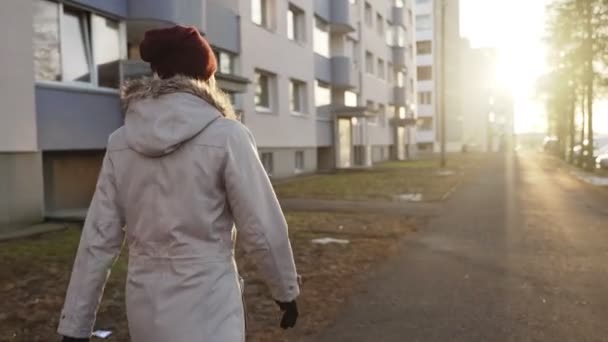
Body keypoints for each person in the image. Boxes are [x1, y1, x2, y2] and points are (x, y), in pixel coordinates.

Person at [58, 25, 300, 342]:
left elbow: (98, 239)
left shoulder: (121, 141)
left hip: (145, 309)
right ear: (204, 77)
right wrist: (285, 289)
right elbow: (262, 225)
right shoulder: (227, 136)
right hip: (210, 306)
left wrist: (74, 325)